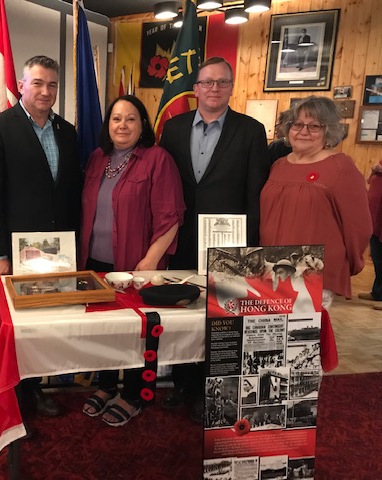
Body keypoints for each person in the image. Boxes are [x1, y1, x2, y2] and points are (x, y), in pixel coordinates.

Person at [158, 56, 270, 422]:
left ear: (231, 87)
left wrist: (249, 247)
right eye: (207, 82)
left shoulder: (251, 130)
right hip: (181, 238)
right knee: (181, 312)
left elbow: (254, 192)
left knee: (219, 319)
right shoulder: (172, 129)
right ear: (195, 89)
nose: (214, 89)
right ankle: (180, 384)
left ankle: (209, 391)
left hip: (229, 245)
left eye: (222, 82)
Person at [0, 55, 82, 420]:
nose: (45, 91)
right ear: (21, 85)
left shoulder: (67, 132)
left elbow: (69, 193)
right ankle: (14, 400)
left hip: (59, 254)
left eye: (52, 84)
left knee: (45, 328)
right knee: (17, 330)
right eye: (37, 83)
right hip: (16, 255)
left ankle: (34, 390)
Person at [79, 95, 185, 427]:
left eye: (130, 119)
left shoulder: (158, 159)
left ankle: (137, 393)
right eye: (116, 119)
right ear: (107, 125)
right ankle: (107, 384)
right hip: (96, 263)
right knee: (106, 329)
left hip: (137, 264)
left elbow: (172, 216)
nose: (122, 125)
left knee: (138, 332)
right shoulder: (98, 158)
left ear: (143, 126)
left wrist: (152, 259)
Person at [260, 96, 372, 307]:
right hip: (272, 266)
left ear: (328, 131)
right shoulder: (278, 165)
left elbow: (359, 226)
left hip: (315, 271)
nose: (303, 131)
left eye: (314, 126)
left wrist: (348, 263)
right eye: (298, 124)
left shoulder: (340, 167)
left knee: (301, 336)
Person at [358, 158, 382, 308]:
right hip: (375, 217)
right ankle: (378, 292)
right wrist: (374, 170)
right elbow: (368, 180)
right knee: (378, 257)